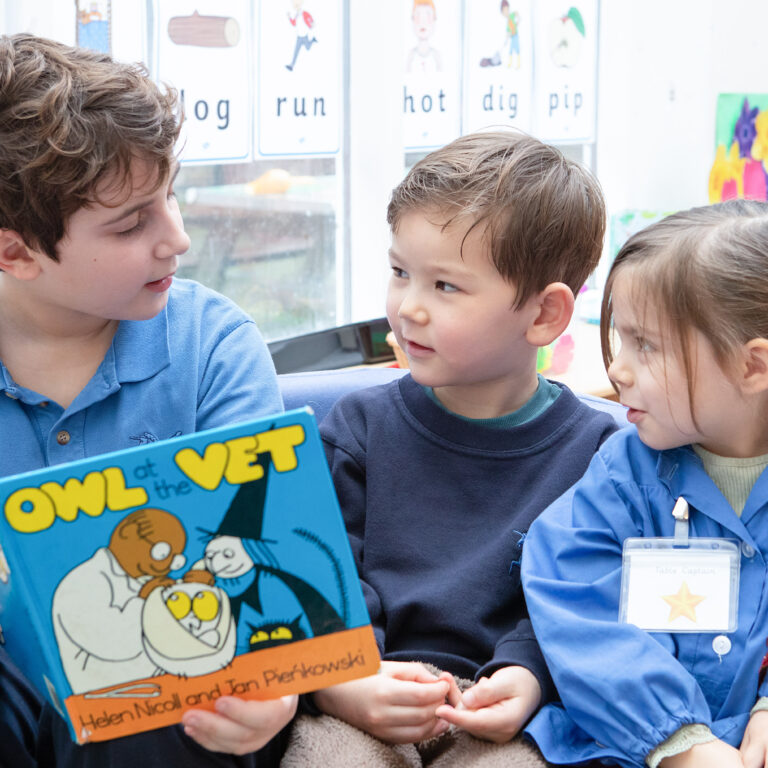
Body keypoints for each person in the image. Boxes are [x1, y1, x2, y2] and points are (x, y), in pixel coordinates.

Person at [0, 33, 295, 767]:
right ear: (14, 253)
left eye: (170, 198)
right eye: (132, 224)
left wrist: (275, 693)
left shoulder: (213, 344)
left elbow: (266, 570)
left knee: (140, 684)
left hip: (180, 683)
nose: (179, 239)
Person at [281, 130, 621, 767]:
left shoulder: (602, 455)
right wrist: (347, 684)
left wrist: (528, 677)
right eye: (400, 272)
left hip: (511, 718)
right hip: (363, 691)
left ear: (545, 316)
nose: (408, 308)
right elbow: (319, 579)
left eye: (446, 287)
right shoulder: (357, 428)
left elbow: (590, 598)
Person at [521, 199, 768, 768]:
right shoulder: (622, 475)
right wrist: (679, 741)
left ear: (752, 367)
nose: (618, 370)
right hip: (631, 751)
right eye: (620, 340)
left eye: (647, 345)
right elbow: (576, 601)